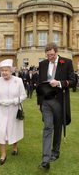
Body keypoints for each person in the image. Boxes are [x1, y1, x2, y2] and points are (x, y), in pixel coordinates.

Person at [37, 43, 75, 171]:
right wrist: (39, 102)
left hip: (59, 100)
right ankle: (45, 159)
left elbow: (73, 81)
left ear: (56, 52)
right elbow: (39, 84)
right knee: (48, 127)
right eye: (48, 55)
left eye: (52, 55)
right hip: (46, 101)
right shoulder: (42, 64)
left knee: (57, 126)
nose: (50, 58)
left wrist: (59, 83)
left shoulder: (67, 62)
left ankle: (56, 151)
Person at [0, 59, 27, 165]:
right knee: (1, 131)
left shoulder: (18, 80)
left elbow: (23, 95)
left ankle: (15, 147)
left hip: (14, 109)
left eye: (6, 70)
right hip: (1, 110)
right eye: (2, 70)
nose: (4, 72)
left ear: (11, 70)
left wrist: (14, 101)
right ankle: (3, 155)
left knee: (13, 129)